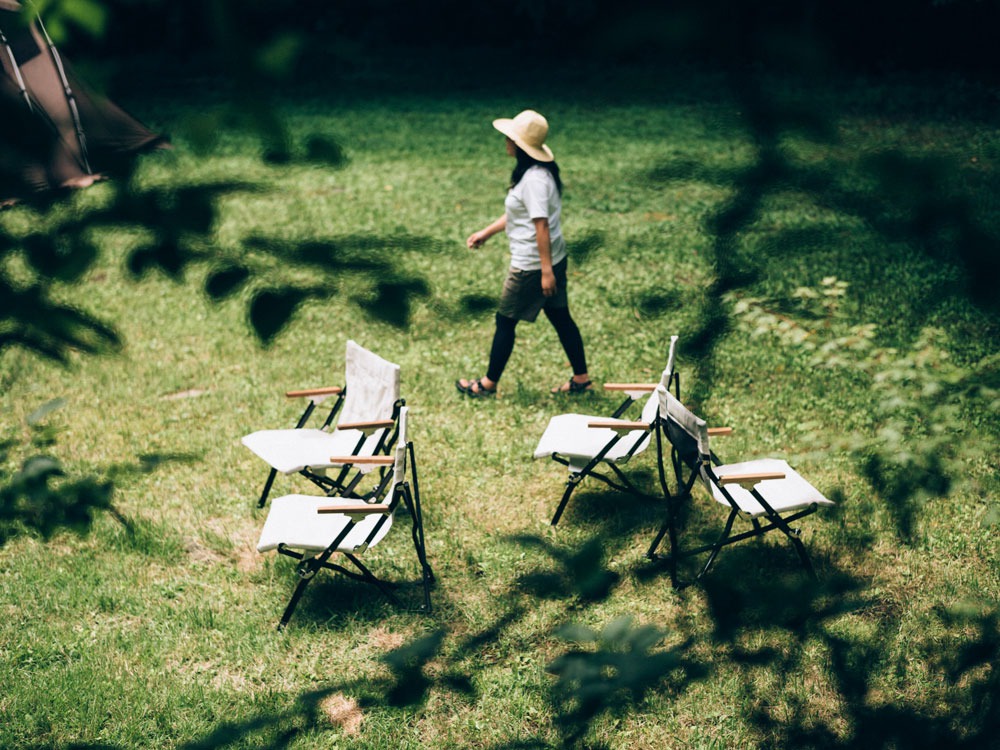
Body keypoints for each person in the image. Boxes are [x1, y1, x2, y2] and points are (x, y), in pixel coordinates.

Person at [456, 109, 591, 398]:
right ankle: (581, 378)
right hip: (551, 257)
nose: (505, 141)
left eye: (509, 138)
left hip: (532, 265)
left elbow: (540, 226)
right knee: (560, 317)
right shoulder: (537, 174)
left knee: (505, 321)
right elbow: (522, 216)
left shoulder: (534, 180)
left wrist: (545, 272)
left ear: (519, 145)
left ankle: (488, 384)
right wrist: (486, 232)